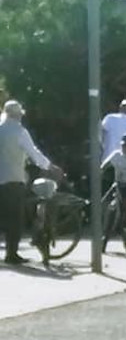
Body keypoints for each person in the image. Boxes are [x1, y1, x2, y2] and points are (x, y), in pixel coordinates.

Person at [0, 100, 64, 264]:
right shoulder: (19, 131)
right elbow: (33, 153)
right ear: (17, 115)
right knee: (15, 218)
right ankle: (11, 254)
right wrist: (50, 167)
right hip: (13, 179)